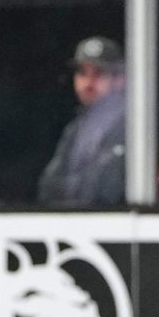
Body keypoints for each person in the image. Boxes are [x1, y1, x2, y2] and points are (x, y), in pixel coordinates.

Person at [37, 35, 128, 206]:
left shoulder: (132, 127)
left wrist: (72, 185)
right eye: (82, 73)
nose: (88, 82)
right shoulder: (76, 128)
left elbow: (109, 190)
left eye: (98, 74)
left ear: (120, 79)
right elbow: (48, 187)